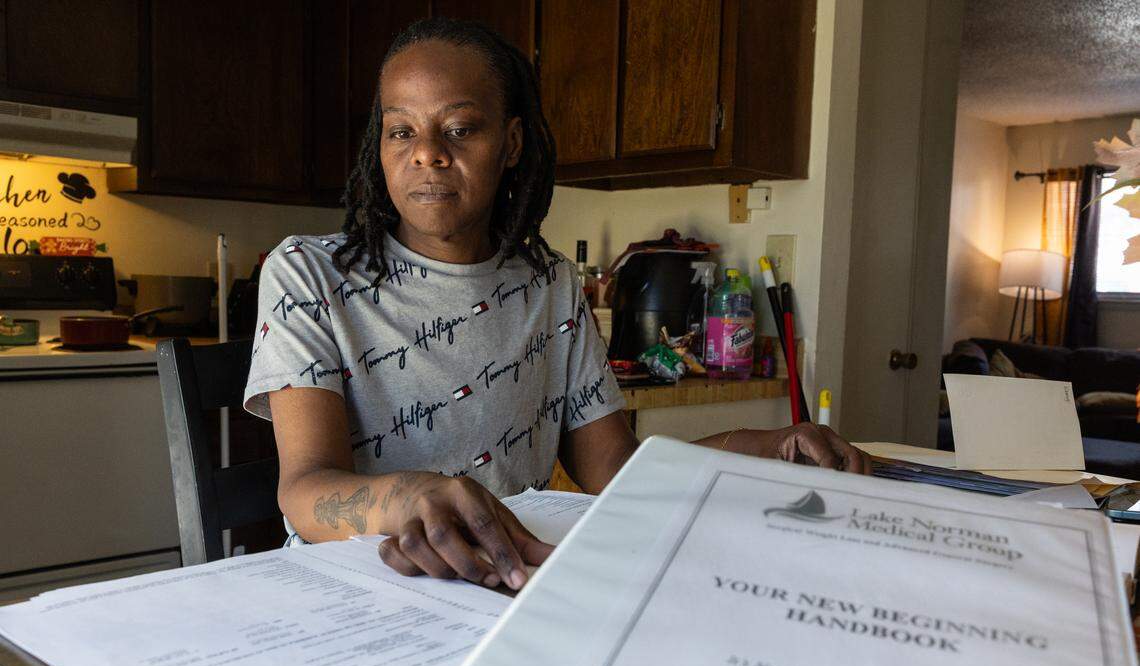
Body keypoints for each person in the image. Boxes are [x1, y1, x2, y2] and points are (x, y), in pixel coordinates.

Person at [243, 18, 871, 592]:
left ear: (511, 143)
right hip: (351, 586)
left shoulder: (548, 286)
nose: (426, 152)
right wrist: (414, 496)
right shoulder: (308, 274)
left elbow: (617, 474)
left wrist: (768, 448)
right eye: (400, 130)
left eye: (459, 129)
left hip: (502, 586)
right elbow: (304, 492)